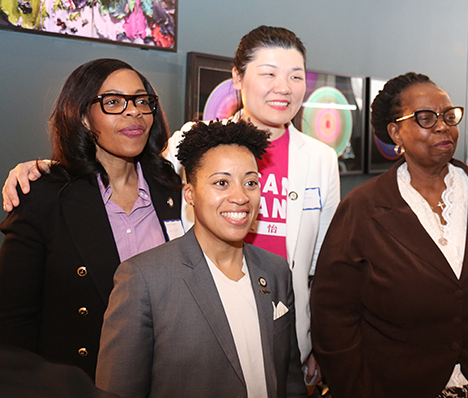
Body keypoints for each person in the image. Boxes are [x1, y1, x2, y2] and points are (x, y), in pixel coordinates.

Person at [1, 26, 340, 383]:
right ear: (238, 78)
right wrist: (45, 169)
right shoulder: (191, 146)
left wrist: (320, 341)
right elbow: (15, 320)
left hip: (258, 335)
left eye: (295, 76)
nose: (283, 87)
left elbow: (323, 267)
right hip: (131, 358)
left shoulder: (319, 159)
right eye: (269, 73)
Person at [311, 72, 468, 398]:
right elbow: (332, 314)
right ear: (395, 132)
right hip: (395, 386)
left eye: (449, 116)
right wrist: (356, 388)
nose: (442, 126)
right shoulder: (363, 208)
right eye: (426, 118)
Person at [0, 59, 182, 379]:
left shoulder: (172, 188)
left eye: (142, 101)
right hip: (80, 382)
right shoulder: (44, 198)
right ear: (83, 116)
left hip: (167, 377)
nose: (133, 112)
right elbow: (13, 325)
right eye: (113, 102)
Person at [96, 120, 306, 398]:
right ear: (190, 194)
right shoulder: (144, 280)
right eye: (222, 183)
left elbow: (291, 381)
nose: (240, 197)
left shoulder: (276, 270)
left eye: (250, 183)